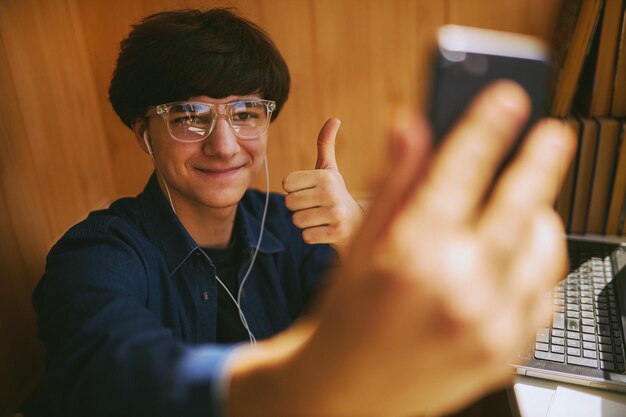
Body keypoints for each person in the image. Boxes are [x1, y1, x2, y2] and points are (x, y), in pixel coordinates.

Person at [32, 7, 576, 417]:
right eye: (188, 116)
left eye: (245, 112)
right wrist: (303, 381)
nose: (224, 145)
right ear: (143, 133)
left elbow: (369, 340)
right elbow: (109, 371)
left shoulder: (297, 226)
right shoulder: (98, 253)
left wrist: (359, 242)